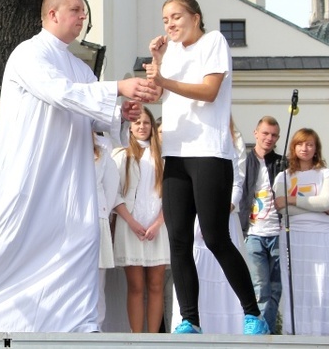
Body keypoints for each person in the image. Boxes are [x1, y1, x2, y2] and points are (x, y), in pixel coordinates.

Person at [0, 0, 154, 332]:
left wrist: (122, 113)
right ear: (52, 14)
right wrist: (117, 88)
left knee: (83, 238)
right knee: (7, 243)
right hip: (28, 175)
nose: (82, 17)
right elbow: (60, 92)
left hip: (69, 179)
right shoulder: (29, 54)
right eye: (76, 10)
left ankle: (77, 323)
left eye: (83, 12)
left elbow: (92, 114)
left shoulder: (80, 68)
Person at [143, 0, 268, 335]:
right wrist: (158, 60)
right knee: (179, 240)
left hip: (210, 153)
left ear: (195, 17)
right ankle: (190, 320)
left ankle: (253, 313)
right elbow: (159, 96)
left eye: (176, 16)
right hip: (176, 153)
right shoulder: (170, 53)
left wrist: (163, 79)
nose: (169, 23)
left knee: (215, 237)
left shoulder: (214, 41)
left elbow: (210, 91)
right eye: (165, 18)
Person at [171, 119, 247, 334]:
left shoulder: (231, 142)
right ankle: (191, 321)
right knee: (190, 260)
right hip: (195, 219)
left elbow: (237, 182)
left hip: (222, 212)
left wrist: (221, 209)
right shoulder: (183, 142)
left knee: (221, 250)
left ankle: (244, 319)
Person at [274, 128, 329, 336]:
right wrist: (316, 206)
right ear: (293, 147)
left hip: (321, 235)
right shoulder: (283, 176)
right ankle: (297, 331)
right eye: (300, 144)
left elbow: (327, 201)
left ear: (316, 149)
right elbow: (280, 207)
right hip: (294, 234)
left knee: (324, 280)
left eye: (309, 144)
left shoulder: (327, 174)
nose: (304, 148)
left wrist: (292, 200)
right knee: (298, 283)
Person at [112, 107, 168, 333]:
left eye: (146, 122)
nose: (142, 126)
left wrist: (157, 223)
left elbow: (172, 195)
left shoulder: (164, 156)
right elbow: (114, 193)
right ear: (131, 127)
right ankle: (137, 338)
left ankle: (153, 338)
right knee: (136, 287)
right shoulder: (121, 155)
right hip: (130, 226)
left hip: (158, 227)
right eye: (137, 123)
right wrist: (132, 222)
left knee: (156, 286)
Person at [239, 116, 282, 334]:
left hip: (278, 232)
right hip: (253, 232)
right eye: (265, 133)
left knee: (276, 288)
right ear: (256, 133)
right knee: (260, 286)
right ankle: (259, 333)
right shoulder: (243, 162)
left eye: (273, 135)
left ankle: (269, 330)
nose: (269, 138)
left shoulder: (282, 163)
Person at [93, 133, 120, 330]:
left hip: (98, 220)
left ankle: (96, 325)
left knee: (97, 280)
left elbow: (111, 189)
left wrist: (102, 212)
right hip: (70, 224)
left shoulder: (102, 155)